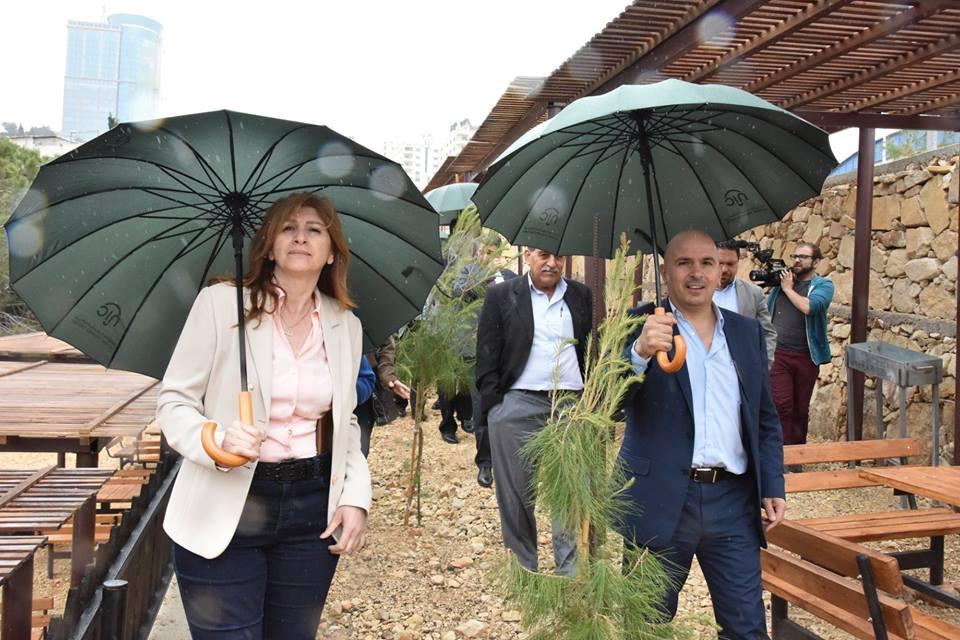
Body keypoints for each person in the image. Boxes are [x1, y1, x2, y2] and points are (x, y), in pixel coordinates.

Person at [158, 193, 371, 639]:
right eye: (288, 228)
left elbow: (345, 421)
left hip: (311, 508)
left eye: (314, 230)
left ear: (332, 253)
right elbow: (174, 402)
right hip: (225, 503)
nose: (301, 237)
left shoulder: (345, 324)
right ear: (269, 246)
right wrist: (216, 440)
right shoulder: (220, 305)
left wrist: (355, 496)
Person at [618, 230, 785, 640]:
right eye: (684, 263)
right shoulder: (641, 326)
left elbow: (764, 416)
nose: (697, 273)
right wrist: (638, 353)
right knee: (646, 626)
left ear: (721, 270)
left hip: (733, 502)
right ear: (665, 272)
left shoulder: (745, 332)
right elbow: (607, 406)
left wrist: (772, 483)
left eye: (706, 263)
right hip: (659, 499)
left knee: (746, 628)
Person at [476, 247, 592, 575]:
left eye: (559, 257)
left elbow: (590, 347)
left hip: (569, 407)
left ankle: (569, 576)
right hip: (517, 405)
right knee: (516, 495)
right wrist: (497, 408)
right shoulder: (502, 296)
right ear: (528, 255)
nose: (552, 263)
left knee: (569, 491)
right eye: (544, 255)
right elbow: (486, 354)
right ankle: (524, 572)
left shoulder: (581, 295)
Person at [766, 242, 835, 445]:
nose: (797, 260)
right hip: (778, 354)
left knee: (800, 409)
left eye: (803, 257)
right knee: (781, 405)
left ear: (816, 262)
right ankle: (781, 453)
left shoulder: (823, 285)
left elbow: (810, 307)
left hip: (806, 356)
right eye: (795, 256)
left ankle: (798, 452)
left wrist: (788, 289)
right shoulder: (782, 282)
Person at [713, 241, 777, 366]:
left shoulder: (753, 294)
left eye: (730, 264)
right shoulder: (693, 292)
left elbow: (767, 333)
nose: (724, 269)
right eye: (719, 263)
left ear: (738, 263)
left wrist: (763, 367)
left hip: (741, 369)